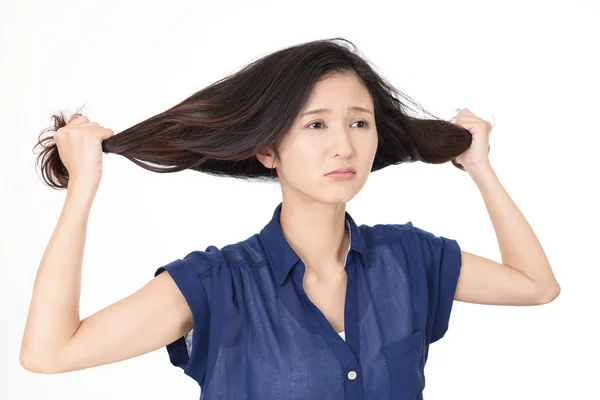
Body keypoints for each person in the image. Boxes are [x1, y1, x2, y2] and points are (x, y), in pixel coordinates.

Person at [22, 38, 560, 399]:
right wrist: (83, 189)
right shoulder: (218, 286)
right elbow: (49, 352)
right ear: (268, 150)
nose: (343, 147)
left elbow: (536, 285)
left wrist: (479, 167)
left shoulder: (409, 259)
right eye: (316, 126)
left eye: (359, 122)